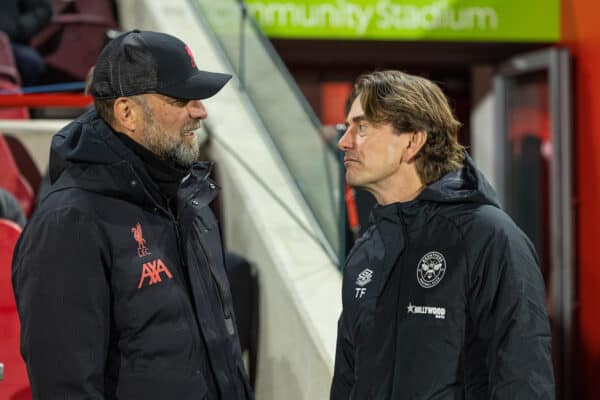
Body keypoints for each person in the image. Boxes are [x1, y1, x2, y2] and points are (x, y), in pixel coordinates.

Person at [12, 30, 253, 399]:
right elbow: (66, 388)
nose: (200, 111)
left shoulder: (191, 203)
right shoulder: (69, 223)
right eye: (181, 98)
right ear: (127, 113)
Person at [330, 70, 554, 399]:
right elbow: (347, 382)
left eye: (362, 127)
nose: (344, 141)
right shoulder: (367, 251)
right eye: (348, 127)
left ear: (412, 141)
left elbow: (524, 379)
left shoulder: (488, 237)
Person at [0, 0, 52, 86]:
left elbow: (43, 9)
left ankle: (20, 96)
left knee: (31, 63)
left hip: (11, 44)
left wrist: (19, 27)